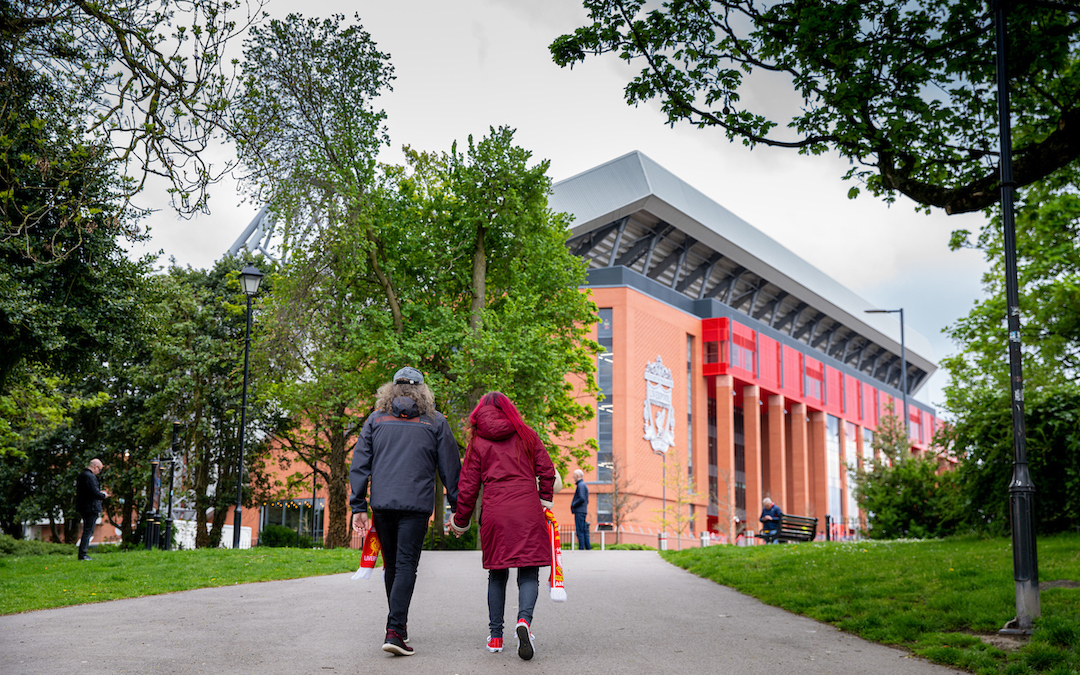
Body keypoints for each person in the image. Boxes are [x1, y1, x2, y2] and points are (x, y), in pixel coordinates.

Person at [349, 367, 461, 657]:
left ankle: (397, 626)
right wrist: (458, 508)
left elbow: (360, 464)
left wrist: (358, 505)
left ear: (391, 390)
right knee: (405, 566)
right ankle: (395, 630)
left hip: (382, 504)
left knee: (394, 566)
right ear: (423, 391)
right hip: (416, 506)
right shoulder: (436, 422)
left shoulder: (375, 420)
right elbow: (451, 469)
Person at [449, 392, 557, 661]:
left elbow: (469, 486)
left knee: (497, 574)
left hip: (496, 511)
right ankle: (524, 622)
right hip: (527, 509)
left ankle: (496, 636)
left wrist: (460, 521)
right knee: (529, 571)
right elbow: (547, 470)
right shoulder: (526, 434)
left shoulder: (477, 442)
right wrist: (545, 499)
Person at [75, 459, 109, 561]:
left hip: (84, 506)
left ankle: (83, 554)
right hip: (90, 507)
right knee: (88, 531)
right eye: (99, 469)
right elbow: (94, 492)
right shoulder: (90, 476)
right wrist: (103, 495)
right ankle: (83, 554)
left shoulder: (82, 475)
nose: (99, 472)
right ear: (95, 466)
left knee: (87, 530)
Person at [570, 469, 590, 551]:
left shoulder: (580, 485)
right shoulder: (583, 485)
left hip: (580, 511)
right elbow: (586, 500)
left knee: (580, 530)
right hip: (582, 510)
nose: (572, 477)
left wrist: (573, 505)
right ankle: (587, 548)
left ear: (577, 475)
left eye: (574, 475)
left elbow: (582, 498)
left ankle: (581, 548)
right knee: (583, 529)